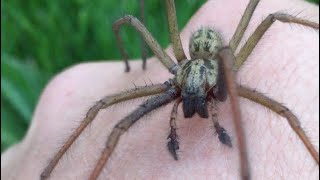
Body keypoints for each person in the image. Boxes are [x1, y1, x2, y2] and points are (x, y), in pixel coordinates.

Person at [1, 0, 319, 179]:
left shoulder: (225, 63)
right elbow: (127, 21)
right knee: (106, 111)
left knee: (275, 21)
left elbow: (266, 26)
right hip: (190, 63)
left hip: (219, 63)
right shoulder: (176, 70)